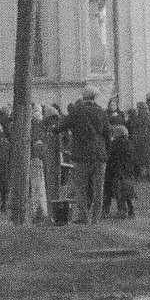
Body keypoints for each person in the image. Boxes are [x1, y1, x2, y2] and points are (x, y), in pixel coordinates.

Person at [54, 86, 111, 224]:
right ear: (95, 97)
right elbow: (107, 134)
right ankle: (95, 218)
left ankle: (83, 217)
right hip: (99, 155)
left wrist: (53, 129)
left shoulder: (77, 111)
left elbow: (61, 127)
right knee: (98, 189)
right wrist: (105, 152)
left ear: (83, 96)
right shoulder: (102, 112)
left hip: (81, 155)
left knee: (81, 188)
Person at [103, 124, 135, 219]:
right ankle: (131, 211)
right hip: (127, 171)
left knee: (110, 191)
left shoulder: (114, 144)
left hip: (114, 171)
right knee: (127, 192)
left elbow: (110, 158)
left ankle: (108, 211)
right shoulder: (129, 144)